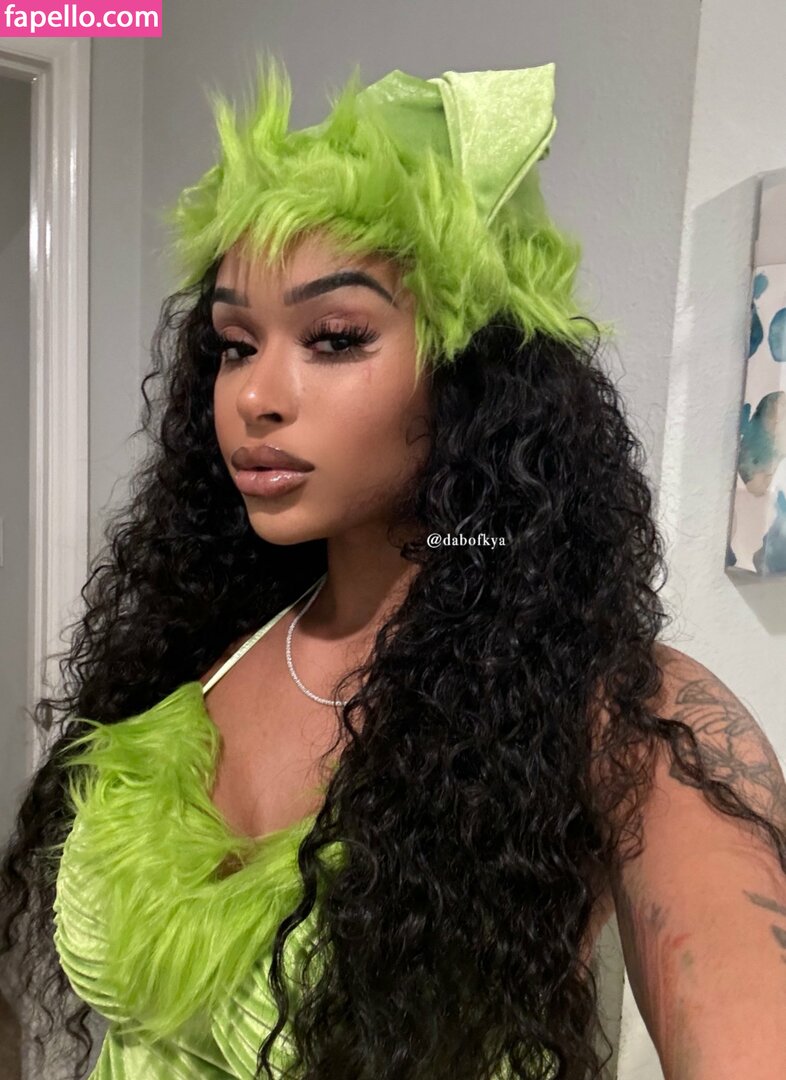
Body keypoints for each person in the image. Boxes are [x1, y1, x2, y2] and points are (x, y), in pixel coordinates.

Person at [2, 54, 786, 1080]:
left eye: (334, 338)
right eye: (236, 344)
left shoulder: (629, 719)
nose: (253, 397)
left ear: (475, 374)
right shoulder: (195, 657)